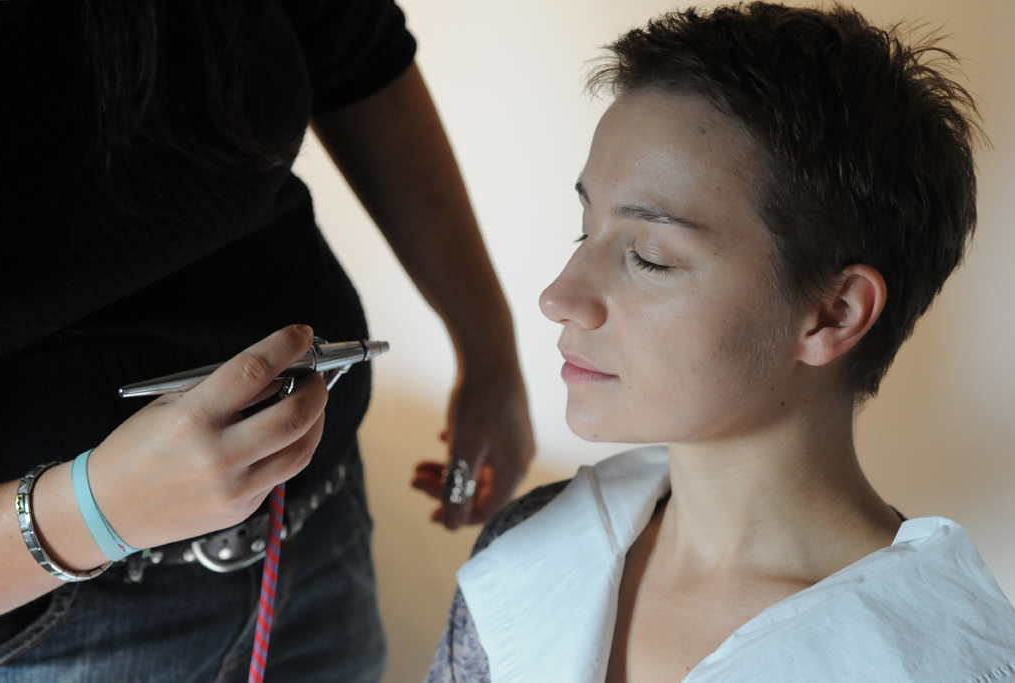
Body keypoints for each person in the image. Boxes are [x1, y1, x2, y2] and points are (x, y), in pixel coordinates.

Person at [423, 3, 1015, 682]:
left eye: (648, 255)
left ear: (832, 313)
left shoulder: (939, 661)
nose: (558, 296)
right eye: (584, 231)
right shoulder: (532, 544)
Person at [0, 0, 533, 681]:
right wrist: (96, 512)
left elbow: (355, 49)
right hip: (48, 628)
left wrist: (489, 348)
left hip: (317, 534)